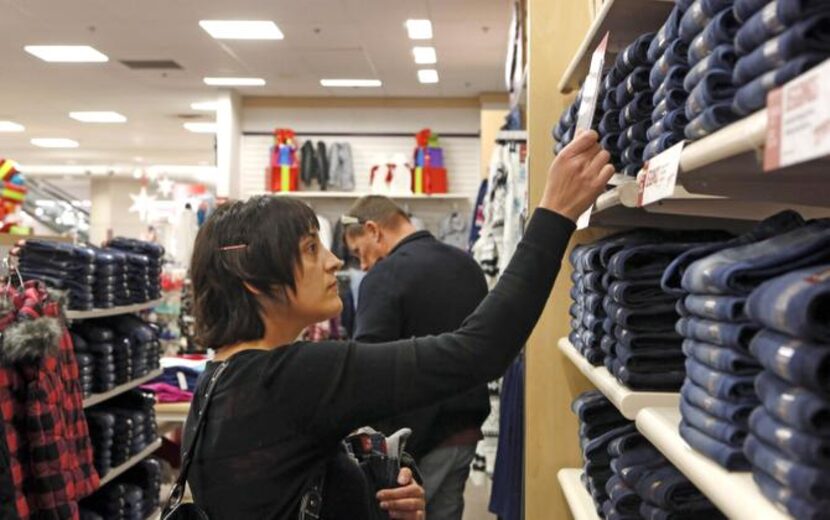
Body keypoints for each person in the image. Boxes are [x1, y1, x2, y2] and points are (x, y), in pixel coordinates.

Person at [184, 130, 613, 519]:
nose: (335, 262)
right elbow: (479, 351)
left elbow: (283, 484)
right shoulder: (296, 375)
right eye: (312, 249)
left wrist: (373, 483)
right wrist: (555, 214)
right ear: (255, 280)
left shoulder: (218, 382)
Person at [342, 195, 490, 520]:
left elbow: (367, 367)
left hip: (411, 440)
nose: (363, 265)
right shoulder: (467, 266)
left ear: (373, 230)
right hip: (464, 430)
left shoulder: (383, 277)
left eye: (359, 253)